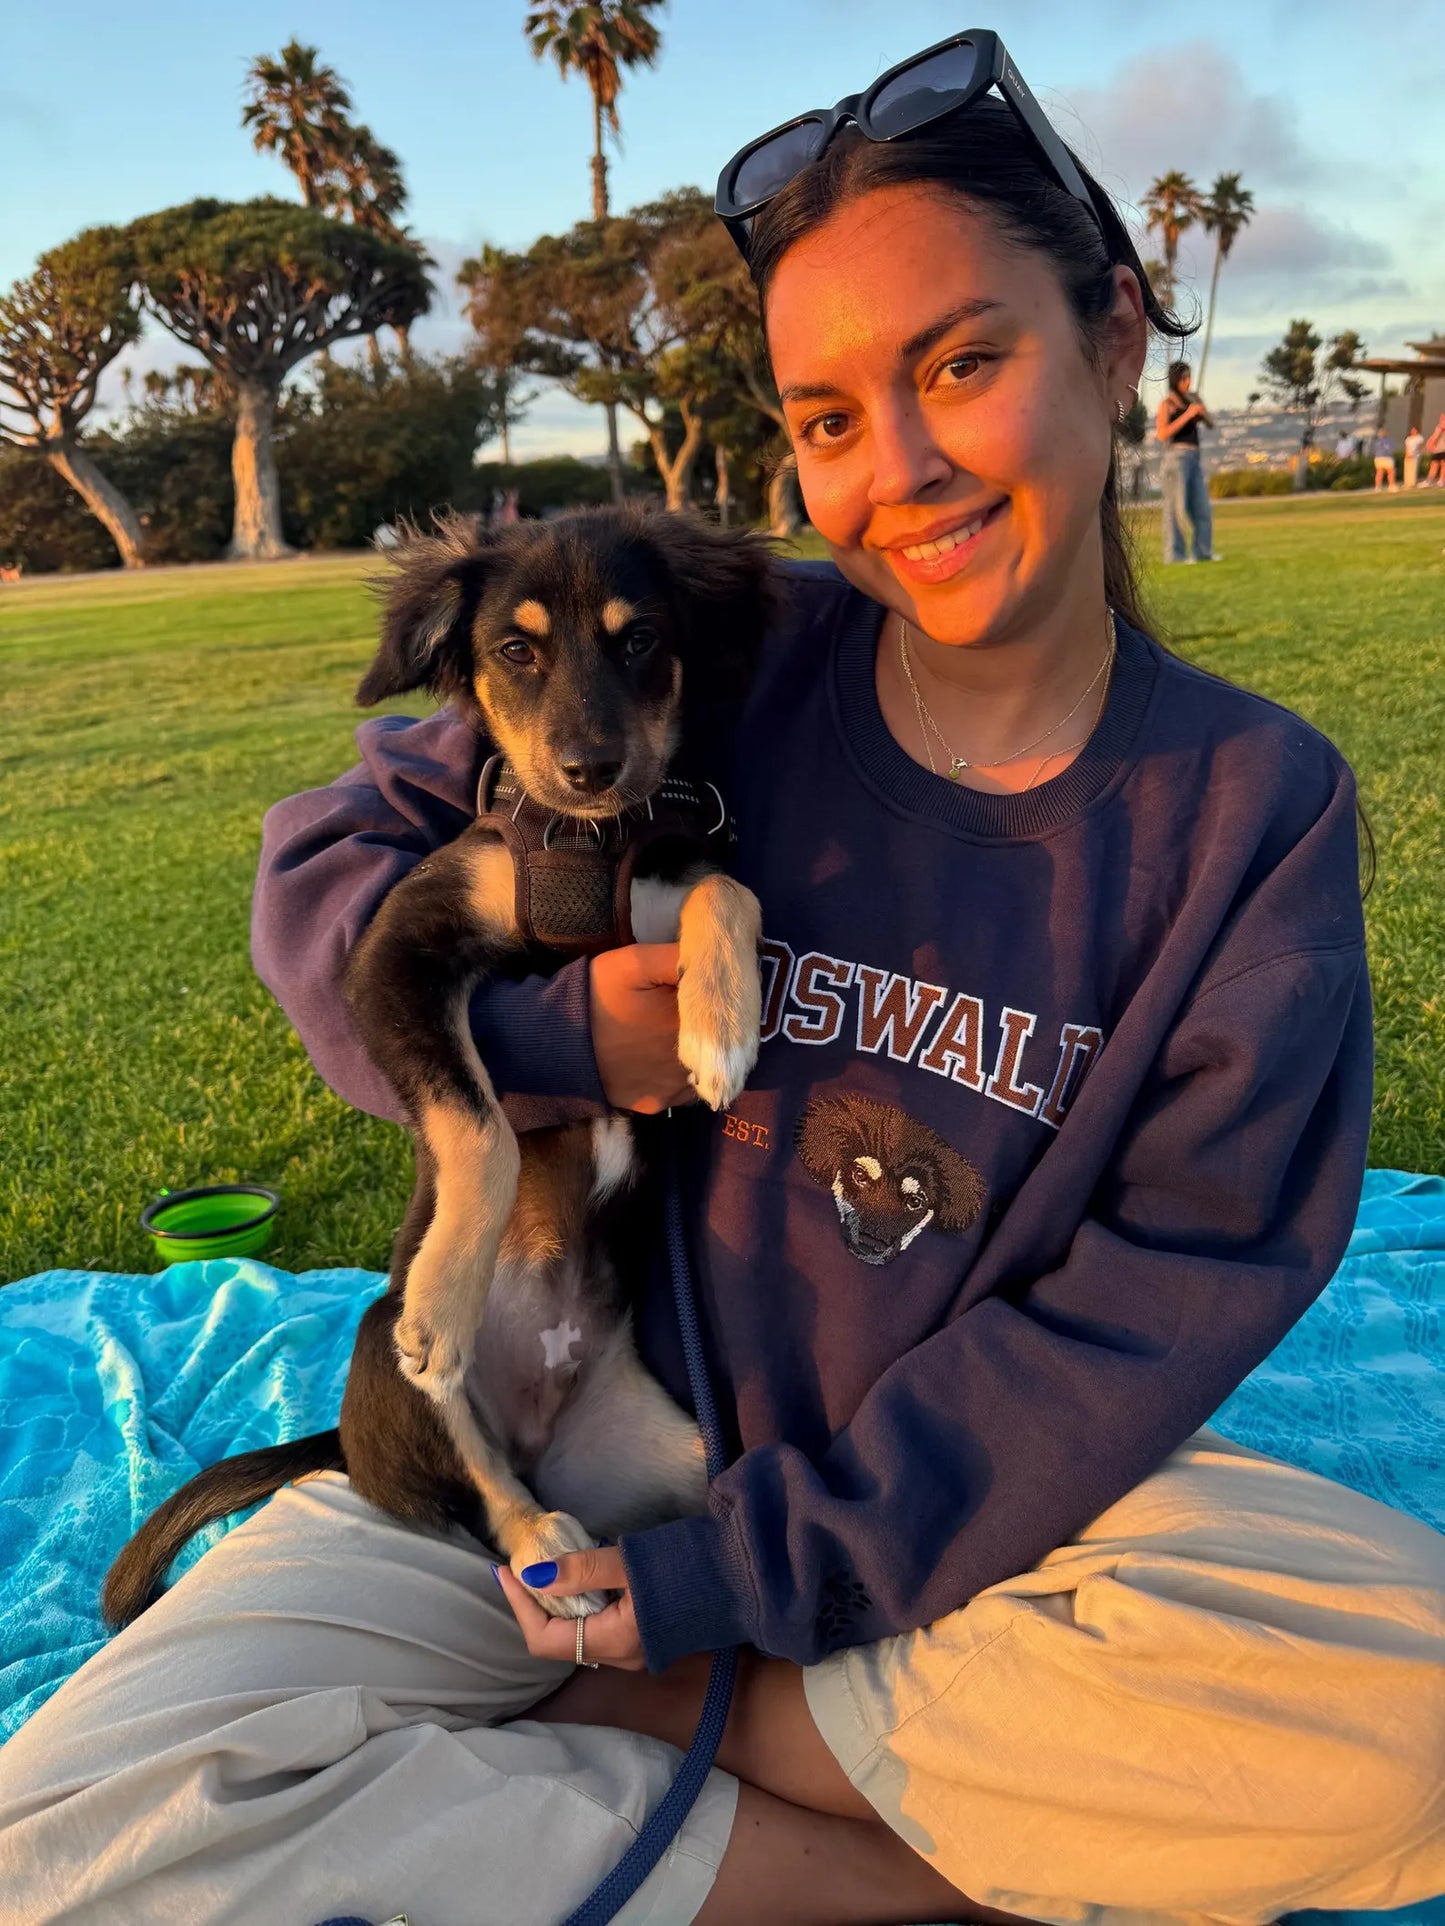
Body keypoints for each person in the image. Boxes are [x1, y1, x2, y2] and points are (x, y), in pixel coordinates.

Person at [3, 52, 1444, 1926]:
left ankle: (671, 1737)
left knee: (1410, 1720)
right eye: (827, 416)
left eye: (960, 366)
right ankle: (883, 1865)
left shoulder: (1248, 814)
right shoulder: (728, 641)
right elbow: (335, 869)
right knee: (70, 1835)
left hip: (955, 1532)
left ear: (1111, 338)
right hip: (539, 1450)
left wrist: (726, 1597)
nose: (897, 472)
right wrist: (546, 1041)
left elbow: (1141, 1314)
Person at [1155, 361, 1216, 561]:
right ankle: (1175, 555)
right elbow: (1163, 433)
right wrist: (1187, 415)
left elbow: (1210, 424)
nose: (1188, 382)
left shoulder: (1194, 399)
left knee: (1202, 507)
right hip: (1176, 457)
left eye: (1189, 377)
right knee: (1174, 508)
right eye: (1184, 378)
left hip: (1195, 457)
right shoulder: (1167, 403)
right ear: (1175, 380)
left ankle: (1203, 552)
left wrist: (1200, 412)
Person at [1426, 412, 1445, 487]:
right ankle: (1429, 480)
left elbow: (1436, 436)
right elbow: (1434, 435)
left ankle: (1442, 480)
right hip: (1438, 449)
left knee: (1443, 464)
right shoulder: (1439, 426)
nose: (1441, 418)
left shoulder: (1441, 426)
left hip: (1443, 448)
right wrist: (1430, 442)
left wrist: (1431, 443)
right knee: (1434, 463)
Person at [1404, 424, 1426, 489]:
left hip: (1415, 455)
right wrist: (1407, 454)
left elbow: (1420, 446)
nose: (1413, 431)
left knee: (1414, 469)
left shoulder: (1419, 438)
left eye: (1414, 430)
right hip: (1408, 455)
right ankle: (1407, 483)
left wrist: (1415, 453)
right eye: (1412, 430)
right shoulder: (1408, 438)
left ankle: (1412, 483)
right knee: (1407, 469)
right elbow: (1406, 446)